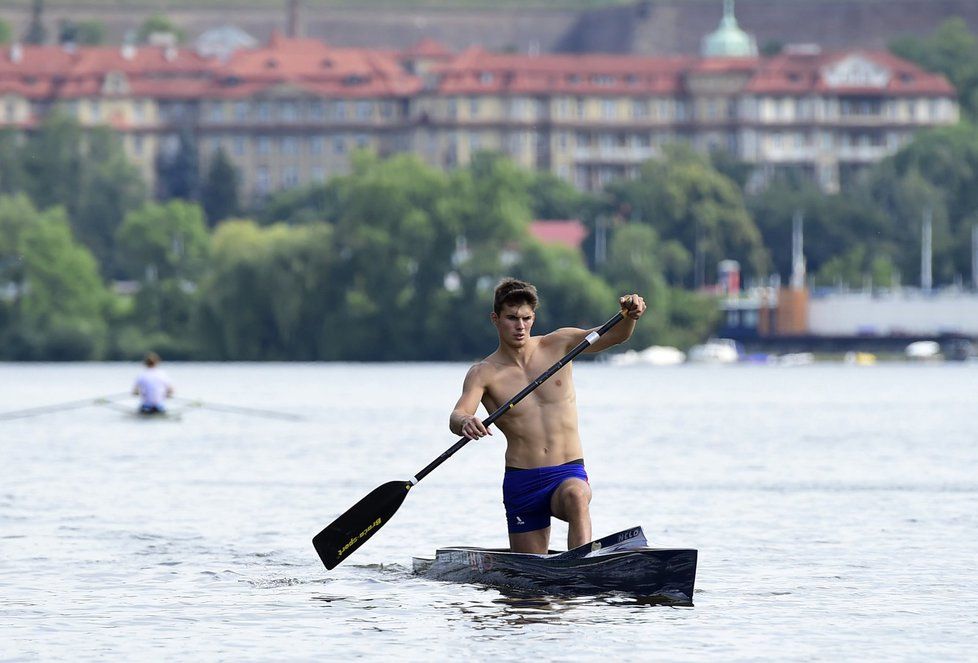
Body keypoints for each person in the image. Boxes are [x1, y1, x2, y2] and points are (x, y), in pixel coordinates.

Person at [449, 278, 646, 554]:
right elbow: (458, 414)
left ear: (534, 318)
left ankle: (580, 568)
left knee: (577, 496)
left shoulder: (559, 344)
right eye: (512, 318)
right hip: (522, 482)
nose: (520, 326)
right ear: (495, 319)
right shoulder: (484, 372)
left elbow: (614, 335)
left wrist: (630, 316)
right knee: (528, 590)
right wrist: (466, 421)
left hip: (567, 471)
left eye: (526, 318)